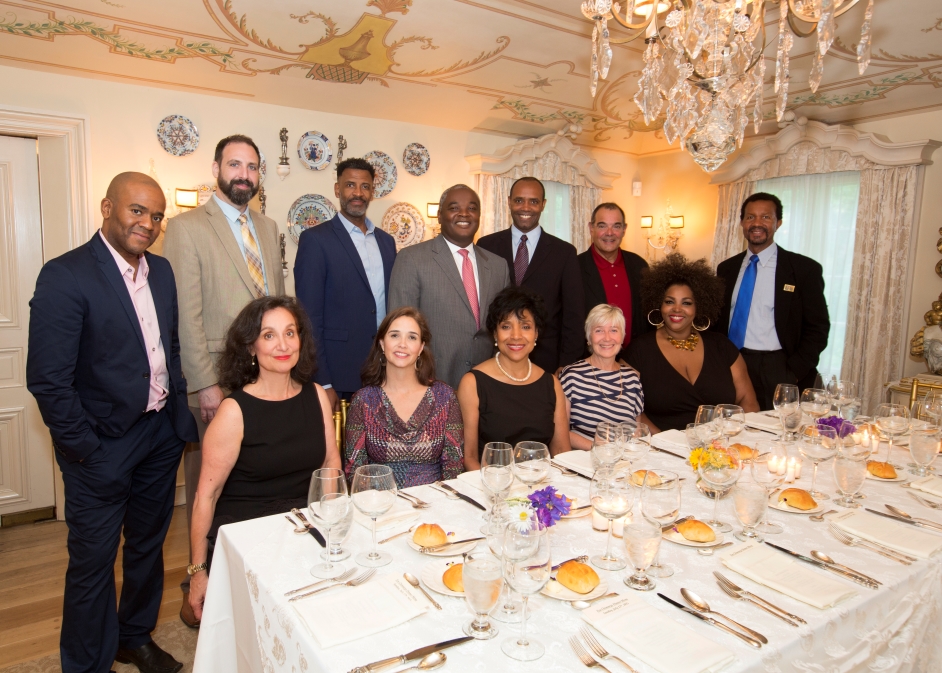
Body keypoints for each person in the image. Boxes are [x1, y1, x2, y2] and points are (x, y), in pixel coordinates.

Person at [26, 172, 198, 673]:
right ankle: (86, 664)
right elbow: (49, 381)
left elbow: (172, 347)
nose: (148, 223)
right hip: (99, 445)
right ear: (107, 208)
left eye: (157, 215)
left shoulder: (161, 273)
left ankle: (133, 637)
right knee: (93, 564)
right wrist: (85, 450)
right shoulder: (66, 275)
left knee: (147, 546)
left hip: (159, 435)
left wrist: (177, 419)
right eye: (137, 210)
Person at [162, 134, 285, 628]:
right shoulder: (186, 227)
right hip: (216, 376)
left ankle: (255, 573)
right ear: (216, 167)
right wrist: (205, 385)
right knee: (210, 483)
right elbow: (186, 315)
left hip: (266, 375)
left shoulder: (268, 225)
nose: (244, 174)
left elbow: (276, 303)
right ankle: (202, 582)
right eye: (235, 164)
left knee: (256, 475)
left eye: (252, 167)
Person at [186, 296, 341, 621]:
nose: (282, 344)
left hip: (305, 532)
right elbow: (206, 496)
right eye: (269, 335)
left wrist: (333, 533)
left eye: (290, 333)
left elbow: (330, 465)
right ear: (250, 347)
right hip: (249, 541)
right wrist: (198, 571)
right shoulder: (233, 411)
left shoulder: (316, 395)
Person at [295, 157, 397, 411]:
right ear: (337, 190)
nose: (357, 193)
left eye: (365, 186)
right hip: (339, 375)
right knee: (340, 450)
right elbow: (309, 318)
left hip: (384, 370)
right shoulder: (316, 240)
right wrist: (324, 382)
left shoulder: (386, 242)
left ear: (372, 191)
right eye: (350, 185)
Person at [715, 192, 830, 409]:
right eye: (750, 217)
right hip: (734, 363)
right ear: (741, 223)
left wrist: (794, 371)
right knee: (734, 430)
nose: (757, 223)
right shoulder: (726, 269)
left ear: (778, 223)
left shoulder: (803, 270)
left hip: (779, 366)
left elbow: (818, 327)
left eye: (766, 217)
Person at [388, 184, 509, 389]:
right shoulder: (411, 259)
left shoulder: (498, 266)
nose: (464, 214)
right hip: (430, 382)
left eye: (472, 208)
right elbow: (399, 329)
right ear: (439, 215)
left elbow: (503, 326)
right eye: (454, 208)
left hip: (488, 384)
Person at [627, 254, 759, 432]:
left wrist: (731, 438)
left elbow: (747, 401)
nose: (677, 309)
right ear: (659, 304)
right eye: (669, 302)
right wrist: (665, 444)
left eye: (687, 303)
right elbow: (631, 412)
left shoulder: (721, 345)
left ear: (699, 307)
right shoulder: (638, 350)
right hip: (662, 449)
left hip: (721, 446)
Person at [344, 307, 463, 487]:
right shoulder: (363, 401)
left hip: (434, 504)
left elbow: (454, 468)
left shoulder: (445, 398)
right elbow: (355, 473)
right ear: (382, 344)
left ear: (421, 347)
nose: (402, 344)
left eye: (412, 337)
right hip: (381, 506)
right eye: (394, 335)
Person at [476, 177, 585, 372]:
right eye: (519, 200)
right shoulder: (486, 246)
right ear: (508, 201)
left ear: (543, 204)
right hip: (493, 359)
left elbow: (573, 316)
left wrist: (566, 364)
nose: (525, 207)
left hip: (547, 361)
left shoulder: (564, 253)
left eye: (533, 201)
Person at [457, 286, 569, 471]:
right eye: (506, 326)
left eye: (525, 326)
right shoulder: (473, 383)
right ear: (495, 333)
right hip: (493, 487)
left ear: (536, 333)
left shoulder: (552, 384)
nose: (516, 336)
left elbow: (561, 451)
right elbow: (469, 459)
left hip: (539, 485)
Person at [560, 304, 644, 450]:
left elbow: (637, 431)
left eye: (613, 330)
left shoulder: (632, 379)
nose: (607, 338)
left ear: (622, 336)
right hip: (586, 460)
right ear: (589, 337)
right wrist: (599, 449)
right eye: (599, 330)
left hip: (624, 461)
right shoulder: (571, 376)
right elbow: (561, 433)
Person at [578, 203, 650, 357]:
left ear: (624, 229)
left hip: (636, 360)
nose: (609, 233)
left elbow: (647, 316)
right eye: (602, 226)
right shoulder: (575, 267)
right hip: (589, 361)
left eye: (616, 226)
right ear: (591, 228)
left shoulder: (639, 265)